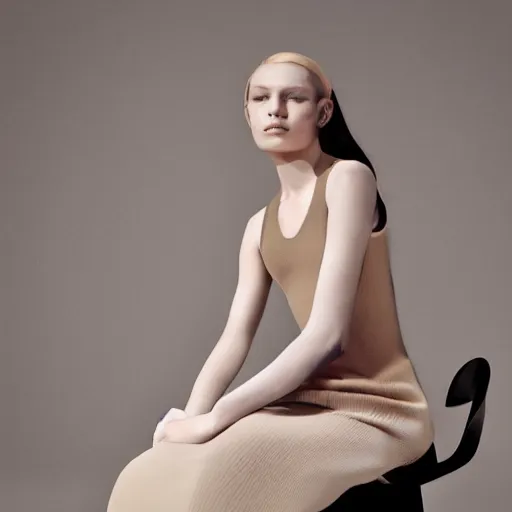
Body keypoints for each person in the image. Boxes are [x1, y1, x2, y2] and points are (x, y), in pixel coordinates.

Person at [106, 51, 434, 512]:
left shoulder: (349, 179)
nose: (274, 108)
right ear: (248, 114)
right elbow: (233, 339)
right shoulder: (258, 227)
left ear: (323, 112)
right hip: (307, 402)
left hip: (378, 408)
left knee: (230, 473)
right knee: (148, 473)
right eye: (261, 98)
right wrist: (191, 419)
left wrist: (216, 419)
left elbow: (327, 336)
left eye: (293, 97)